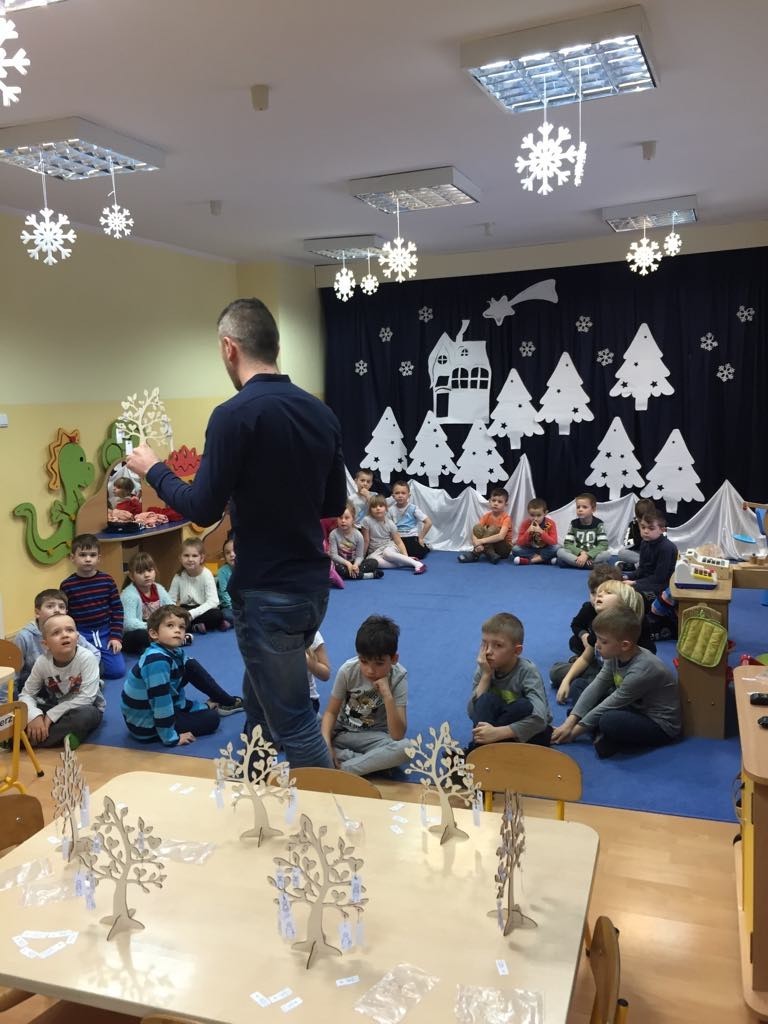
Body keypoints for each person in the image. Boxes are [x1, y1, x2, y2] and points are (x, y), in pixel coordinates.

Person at [126, 297, 347, 769]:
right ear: (276, 346)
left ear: (229, 348)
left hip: (268, 592)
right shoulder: (321, 412)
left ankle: (334, 811)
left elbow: (200, 508)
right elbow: (332, 504)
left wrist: (154, 470)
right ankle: (254, 782)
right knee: (261, 701)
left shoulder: (232, 415)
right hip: (312, 587)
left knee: (294, 723)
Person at [551, 606, 682, 758]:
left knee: (608, 720)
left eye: (603, 641)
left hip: (659, 724)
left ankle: (602, 732)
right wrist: (569, 722)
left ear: (624, 645)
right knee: (579, 685)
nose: (597, 645)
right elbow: (597, 686)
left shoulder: (642, 670)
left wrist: (573, 733)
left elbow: (611, 704)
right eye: (597, 638)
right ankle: (601, 733)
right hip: (631, 706)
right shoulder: (615, 654)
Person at [121, 606, 240, 746]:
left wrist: (200, 707)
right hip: (146, 726)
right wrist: (171, 738)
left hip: (157, 711)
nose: (177, 630)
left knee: (190, 664)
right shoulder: (157, 661)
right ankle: (226, 703)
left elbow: (173, 692)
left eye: (182, 627)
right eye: (170, 625)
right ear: (154, 633)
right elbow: (161, 702)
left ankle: (227, 701)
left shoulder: (174, 652)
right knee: (212, 719)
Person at [321, 615, 409, 776]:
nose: (370, 670)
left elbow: (397, 735)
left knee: (407, 749)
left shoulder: (398, 677)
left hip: (375, 738)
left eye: (379, 663)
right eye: (364, 661)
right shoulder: (347, 671)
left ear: (394, 659)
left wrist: (387, 696)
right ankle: (374, 763)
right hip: (343, 734)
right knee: (312, 724)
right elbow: (331, 713)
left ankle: (344, 768)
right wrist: (326, 744)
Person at [554, 579, 656, 707]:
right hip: (601, 670)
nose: (599, 594)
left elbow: (631, 682)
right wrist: (566, 680)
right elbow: (585, 658)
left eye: (608, 592)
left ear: (623, 602)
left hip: (620, 682)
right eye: (599, 592)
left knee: (580, 686)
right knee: (556, 671)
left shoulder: (633, 633)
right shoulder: (601, 624)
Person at [467, 612, 552, 748]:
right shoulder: (484, 668)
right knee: (487, 700)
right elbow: (472, 713)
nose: (488, 652)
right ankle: (485, 749)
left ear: (517, 651)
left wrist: (497, 733)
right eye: (484, 644)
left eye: (498, 645)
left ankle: (476, 750)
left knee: (524, 706)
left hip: (523, 730)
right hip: (494, 725)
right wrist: (486, 676)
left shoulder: (527, 671)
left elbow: (540, 719)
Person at [19, 613, 104, 749]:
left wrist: (51, 716)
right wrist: (34, 716)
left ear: (77, 637)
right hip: (54, 705)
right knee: (19, 712)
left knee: (85, 716)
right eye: (56, 633)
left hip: (85, 707)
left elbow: (87, 698)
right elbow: (27, 694)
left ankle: (27, 740)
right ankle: (60, 735)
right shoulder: (42, 662)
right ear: (45, 644)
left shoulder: (87, 658)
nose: (65, 635)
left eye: (70, 630)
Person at [60, 534, 125, 679]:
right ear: (72, 558)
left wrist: (115, 636)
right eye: (82, 555)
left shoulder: (107, 580)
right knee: (78, 670)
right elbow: (65, 615)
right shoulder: (67, 585)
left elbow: (117, 610)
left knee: (117, 671)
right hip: (81, 634)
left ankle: (97, 667)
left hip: (105, 631)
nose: (88, 559)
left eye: (92, 555)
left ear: (99, 558)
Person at [549, 564, 623, 690]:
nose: (597, 598)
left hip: (615, 671)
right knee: (556, 671)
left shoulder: (623, 620)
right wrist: (584, 636)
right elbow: (576, 625)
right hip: (595, 659)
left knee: (590, 684)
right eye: (593, 593)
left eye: (606, 593)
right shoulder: (589, 609)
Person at [13, 589, 101, 688]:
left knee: (100, 667)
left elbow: (95, 653)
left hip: (68, 679)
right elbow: (12, 673)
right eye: (50, 606)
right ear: (37, 613)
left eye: (61, 607)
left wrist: (84, 673)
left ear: (66, 613)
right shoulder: (24, 637)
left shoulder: (70, 633)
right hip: (39, 683)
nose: (57, 610)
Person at [168, 537, 228, 634]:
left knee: (217, 615)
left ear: (201, 558)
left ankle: (191, 625)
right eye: (186, 555)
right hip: (185, 609)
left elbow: (213, 601)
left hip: (203, 609)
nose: (190, 559)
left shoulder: (206, 575)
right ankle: (196, 626)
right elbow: (170, 599)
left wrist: (191, 614)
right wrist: (173, 613)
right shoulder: (178, 576)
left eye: (194, 556)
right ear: (180, 558)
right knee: (171, 618)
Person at [121, 551, 173, 654]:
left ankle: (160, 644)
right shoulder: (129, 594)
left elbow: (171, 608)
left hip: (157, 629)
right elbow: (128, 623)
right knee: (141, 635)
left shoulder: (158, 588)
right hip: (136, 633)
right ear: (131, 576)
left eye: (149, 570)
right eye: (140, 572)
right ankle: (167, 643)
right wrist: (155, 627)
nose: (146, 575)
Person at [361, 496, 427, 574]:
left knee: (387, 554)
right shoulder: (366, 520)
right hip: (375, 551)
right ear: (370, 509)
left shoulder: (390, 523)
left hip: (388, 546)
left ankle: (417, 564)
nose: (378, 508)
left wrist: (405, 555)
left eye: (381, 506)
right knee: (374, 561)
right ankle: (405, 563)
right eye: (374, 507)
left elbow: (398, 541)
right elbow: (366, 540)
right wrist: (362, 556)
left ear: (386, 508)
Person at [623, 511, 678, 602]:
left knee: (628, 592)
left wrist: (634, 583)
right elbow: (642, 569)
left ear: (662, 530)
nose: (645, 531)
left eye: (651, 528)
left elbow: (659, 578)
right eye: (643, 527)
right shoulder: (644, 543)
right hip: (647, 580)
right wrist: (627, 577)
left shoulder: (666, 548)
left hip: (662, 585)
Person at [556, 492, 612, 569]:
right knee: (560, 551)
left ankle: (573, 563)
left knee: (606, 554)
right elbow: (568, 543)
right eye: (578, 507)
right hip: (578, 554)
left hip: (593, 554)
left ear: (593, 509)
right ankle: (590, 565)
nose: (580, 509)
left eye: (584, 507)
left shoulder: (598, 523)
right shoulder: (573, 523)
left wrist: (587, 555)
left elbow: (603, 545)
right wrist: (581, 553)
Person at [457, 487, 512, 564]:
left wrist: (480, 541)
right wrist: (476, 543)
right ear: (489, 501)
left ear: (505, 505)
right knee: (477, 528)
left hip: (503, 550)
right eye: (493, 500)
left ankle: (475, 554)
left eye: (500, 502)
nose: (496, 503)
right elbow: (475, 532)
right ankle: (490, 554)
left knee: (492, 529)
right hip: (490, 547)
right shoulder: (486, 516)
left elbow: (501, 536)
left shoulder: (506, 518)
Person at [328, 502, 381, 580]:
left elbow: (360, 556)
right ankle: (367, 575)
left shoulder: (358, 535)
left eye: (347, 518)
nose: (343, 520)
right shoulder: (333, 534)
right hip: (340, 563)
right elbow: (334, 555)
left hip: (354, 563)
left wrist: (355, 565)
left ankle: (351, 573)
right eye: (340, 517)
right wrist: (347, 563)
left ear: (353, 519)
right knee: (332, 566)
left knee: (374, 562)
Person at [387, 480, 432, 559]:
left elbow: (428, 522)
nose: (400, 495)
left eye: (403, 493)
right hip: (397, 538)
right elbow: (388, 526)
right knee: (391, 553)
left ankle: (425, 547)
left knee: (419, 555)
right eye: (397, 493)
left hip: (411, 536)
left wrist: (421, 538)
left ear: (409, 495)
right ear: (393, 496)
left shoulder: (413, 508)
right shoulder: (390, 510)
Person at [512, 497, 559, 564]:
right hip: (531, 550)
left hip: (545, 549)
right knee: (515, 549)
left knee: (557, 547)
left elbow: (553, 542)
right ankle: (543, 559)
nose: (535, 518)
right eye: (532, 515)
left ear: (545, 513)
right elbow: (520, 542)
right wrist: (528, 532)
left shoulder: (550, 523)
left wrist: (541, 532)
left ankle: (530, 561)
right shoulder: (525, 523)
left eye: (539, 515)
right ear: (528, 513)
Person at [616, 498, 656, 569]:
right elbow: (627, 545)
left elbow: (662, 545)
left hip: (653, 554)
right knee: (621, 553)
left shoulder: (657, 524)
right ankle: (644, 564)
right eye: (640, 520)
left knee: (659, 557)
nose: (643, 522)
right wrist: (638, 532)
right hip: (639, 553)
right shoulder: (633, 524)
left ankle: (634, 566)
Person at [306, 631, 330, 714]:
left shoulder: (312, 634)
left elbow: (325, 674)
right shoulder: (270, 634)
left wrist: (307, 660)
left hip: (307, 699)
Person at [216, 537, 236, 625]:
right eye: (228, 553)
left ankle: (232, 622)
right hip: (228, 606)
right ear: (224, 557)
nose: (232, 554)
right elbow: (224, 592)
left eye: (235, 551)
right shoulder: (222, 571)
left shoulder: (245, 569)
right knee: (225, 614)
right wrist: (232, 607)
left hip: (242, 605)